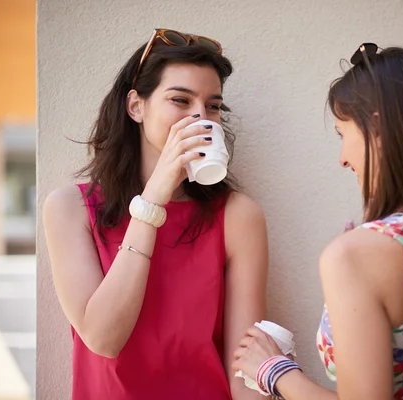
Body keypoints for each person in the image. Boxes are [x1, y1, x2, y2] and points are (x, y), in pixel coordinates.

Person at [43, 28, 268, 400]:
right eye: (181, 100)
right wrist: (155, 198)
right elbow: (103, 338)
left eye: (212, 105)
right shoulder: (70, 208)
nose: (200, 116)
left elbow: (245, 373)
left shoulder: (238, 216)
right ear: (136, 106)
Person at [232, 44, 403, 400]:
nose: (343, 159)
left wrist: (275, 371)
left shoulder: (359, 254)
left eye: (343, 134)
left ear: (376, 128)